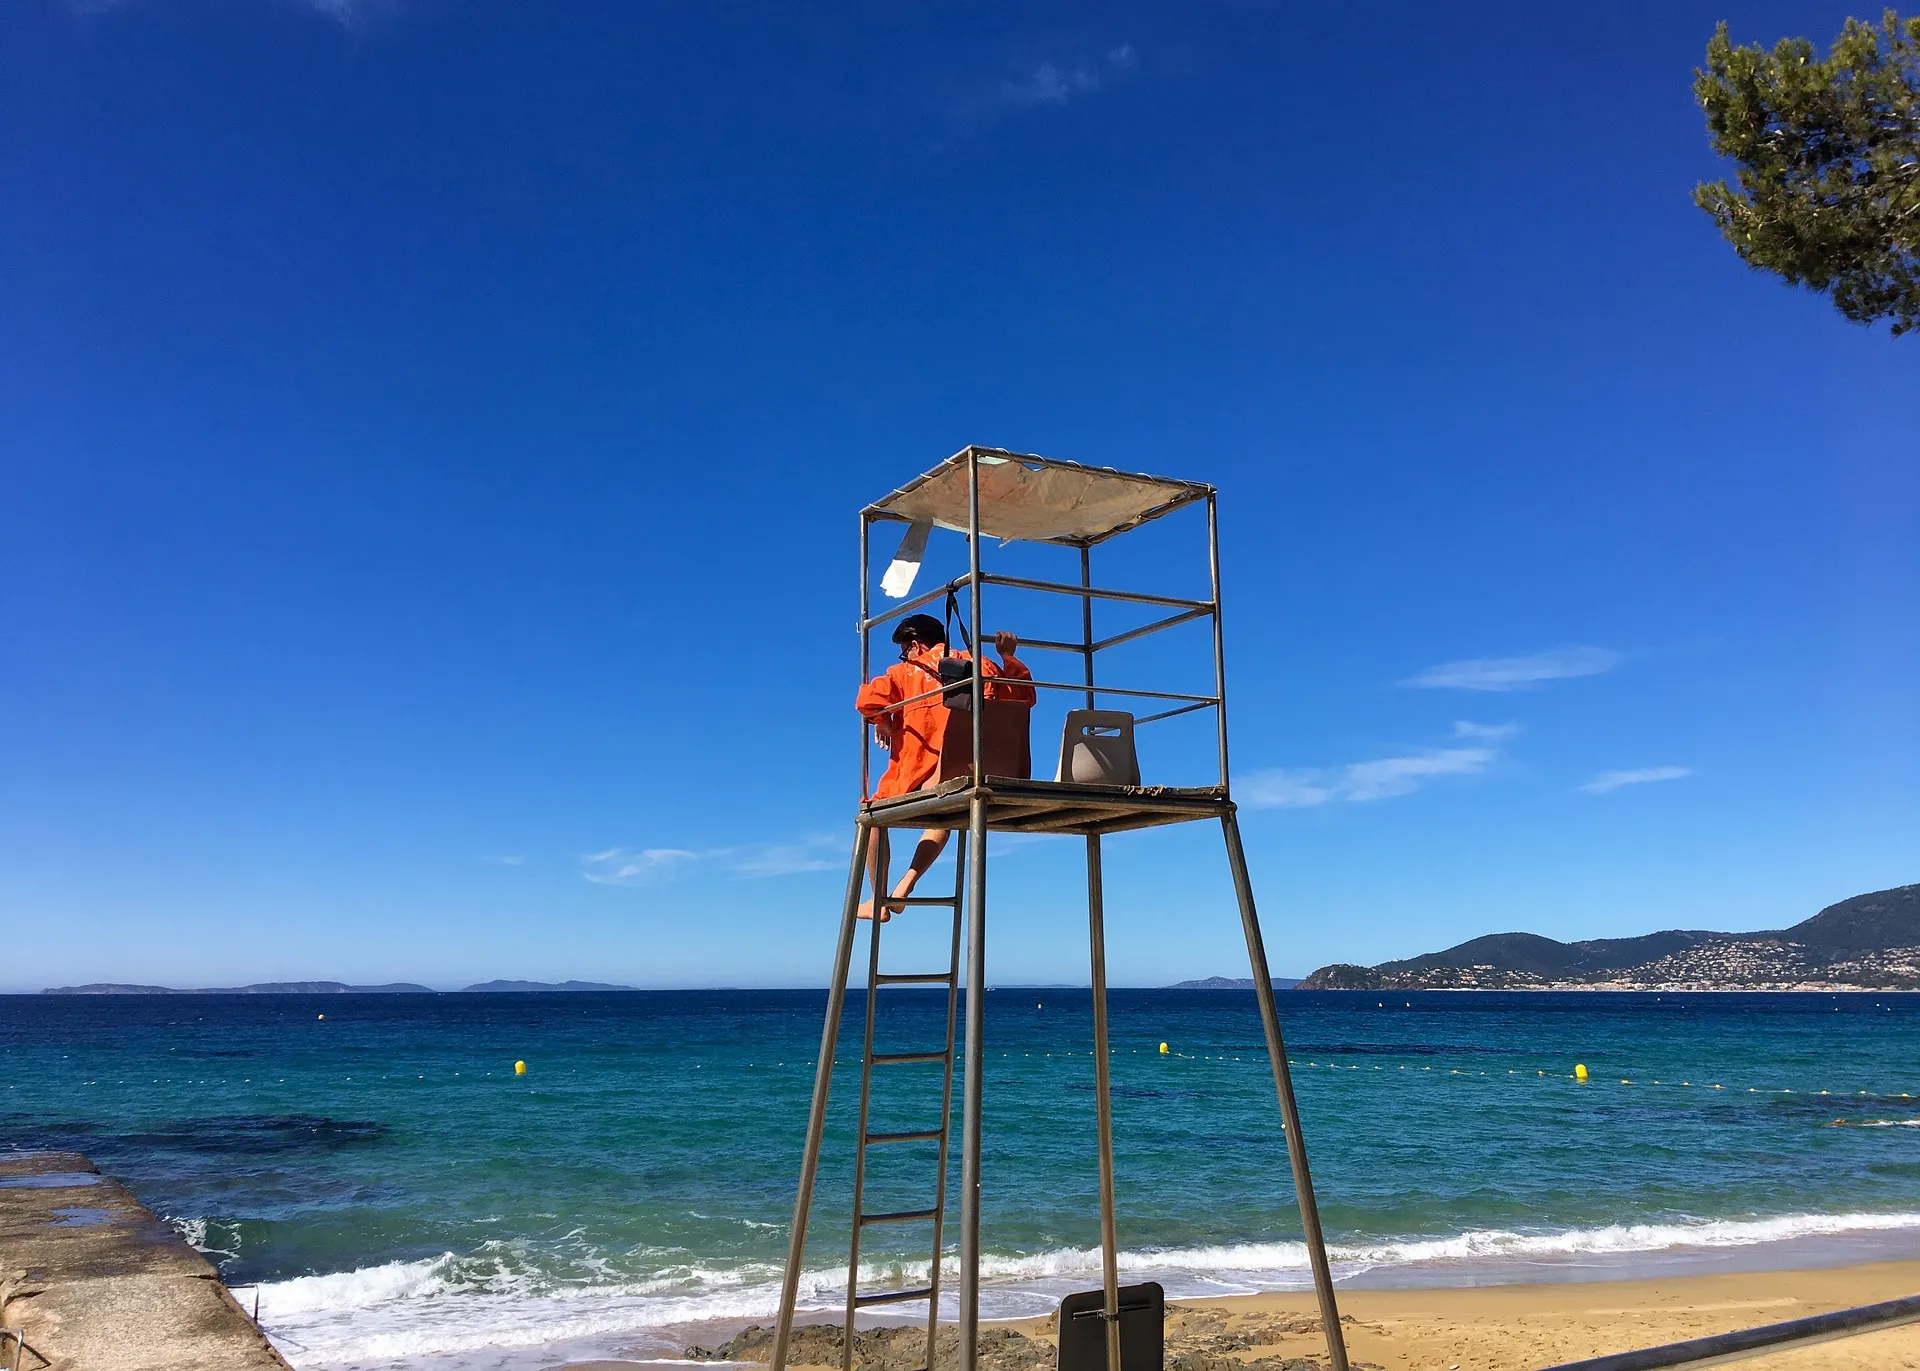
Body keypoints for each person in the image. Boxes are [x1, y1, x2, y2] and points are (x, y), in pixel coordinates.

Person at [855, 613, 1034, 920]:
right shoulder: (983, 664)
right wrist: (1008, 656)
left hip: (923, 772)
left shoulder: (907, 671)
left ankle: (879, 898)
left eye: (904, 650)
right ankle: (906, 884)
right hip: (983, 769)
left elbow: (866, 700)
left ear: (914, 645)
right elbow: (1024, 695)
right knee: (944, 815)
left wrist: (881, 720)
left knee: (870, 814)